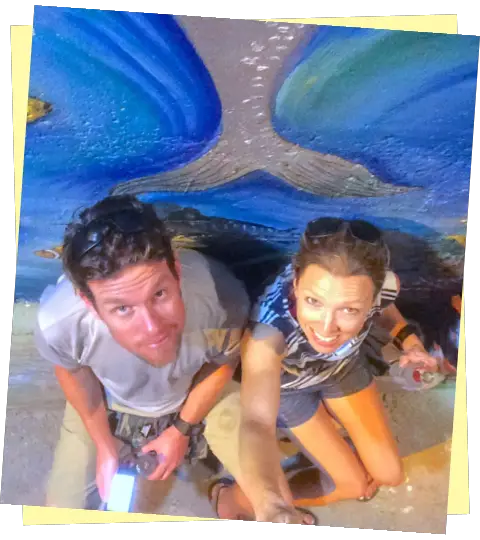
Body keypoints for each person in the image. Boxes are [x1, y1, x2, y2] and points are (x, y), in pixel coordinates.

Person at [208, 218, 440, 524]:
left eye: (349, 310)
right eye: (313, 302)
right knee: (353, 485)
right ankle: (236, 497)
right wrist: (272, 505)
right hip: (291, 388)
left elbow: (384, 310)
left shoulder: (383, 284)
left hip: (342, 368)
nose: (326, 328)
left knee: (390, 475)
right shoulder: (268, 331)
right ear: (295, 283)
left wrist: (410, 342)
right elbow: (257, 423)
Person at [34, 194, 251, 511]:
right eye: (122, 308)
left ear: (176, 268)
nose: (152, 328)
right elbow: (71, 372)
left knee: (266, 489)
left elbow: (223, 361)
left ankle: (225, 498)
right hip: (109, 400)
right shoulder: (59, 322)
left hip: (194, 391)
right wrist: (105, 445)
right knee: (60, 510)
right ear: (88, 303)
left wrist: (181, 430)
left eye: (159, 293)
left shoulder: (221, 296)